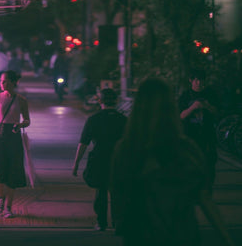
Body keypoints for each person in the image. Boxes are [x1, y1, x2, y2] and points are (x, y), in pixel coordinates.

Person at [110, 77, 233, 246]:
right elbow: (204, 198)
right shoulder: (185, 148)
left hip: (141, 236)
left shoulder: (125, 149)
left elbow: (118, 194)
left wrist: (122, 224)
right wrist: (226, 238)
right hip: (181, 234)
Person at [72, 87, 127, 231]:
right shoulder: (123, 120)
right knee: (116, 193)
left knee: (100, 191)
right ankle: (118, 223)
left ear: (99, 101)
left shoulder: (93, 119)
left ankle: (101, 222)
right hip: (119, 160)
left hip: (99, 159)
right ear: (116, 101)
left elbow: (83, 143)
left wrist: (76, 164)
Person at [0, 70, 30, 218]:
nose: (2, 84)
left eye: (6, 81)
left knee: (13, 171)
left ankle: (8, 207)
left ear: (14, 82)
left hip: (14, 136)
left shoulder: (21, 100)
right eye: (1, 81)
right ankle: (0, 198)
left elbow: (28, 120)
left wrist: (20, 124)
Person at [179, 69, 219, 189]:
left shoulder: (210, 94)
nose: (198, 83)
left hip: (207, 134)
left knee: (209, 162)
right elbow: (180, 115)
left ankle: (207, 188)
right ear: (191, 81)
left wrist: (207, 106)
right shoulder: (185, 96)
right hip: (191, 134)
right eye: (196, 80)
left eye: (201, 80)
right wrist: (192, 108)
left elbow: (217, 112)